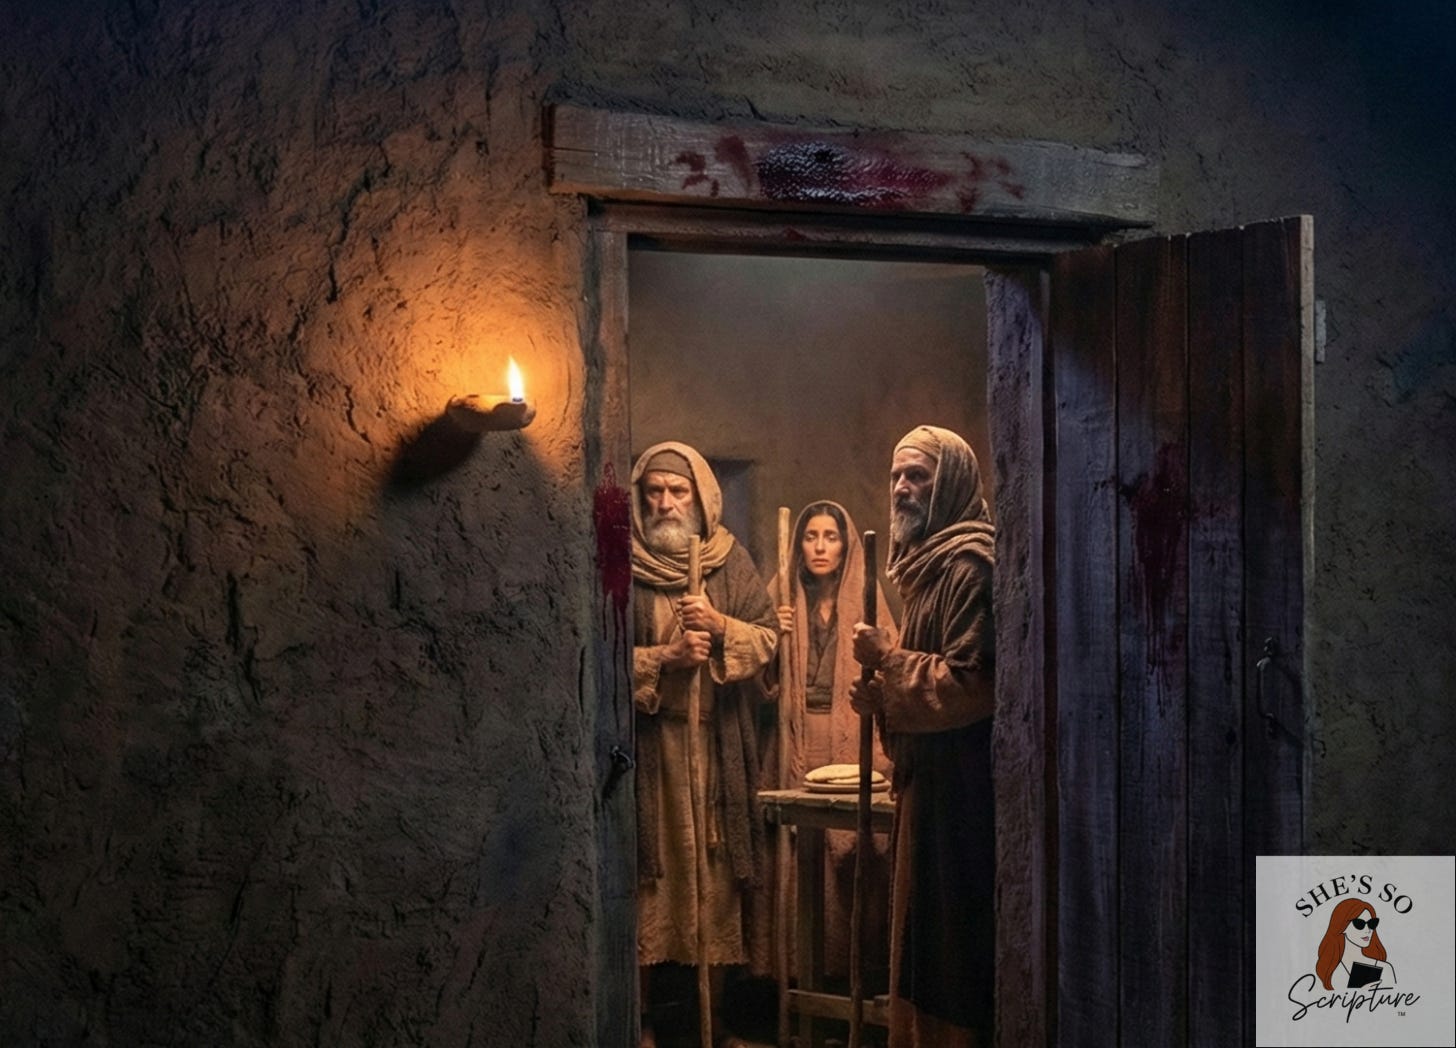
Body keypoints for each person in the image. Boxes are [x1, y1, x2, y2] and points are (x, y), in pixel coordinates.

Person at [849, 425, 997, 1048]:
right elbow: (923, 685)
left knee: (952, 952)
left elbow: (972, 685)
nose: (902, 488)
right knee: (922, 946)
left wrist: (889, 660)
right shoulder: (926, 570)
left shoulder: (970, 566)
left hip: (964, 798)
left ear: (952, 483)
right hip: (928, 793)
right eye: (896, 476)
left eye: (918, 476)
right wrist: (883, 698)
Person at [630, 442, 779, 1048]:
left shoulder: (729, 561)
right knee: (648, 886)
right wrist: (663, 657)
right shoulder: (620, 562)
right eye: (655, 492)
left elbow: (766, 637)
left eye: (678, 491)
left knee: (713, 884)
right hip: (651, 755)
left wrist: (720, 628)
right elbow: (593, 655)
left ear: (700, 498)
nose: (666, 503)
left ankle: (712, 1022)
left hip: (715, 752)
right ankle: (639, 1022)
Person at [757, 500, 897, 986]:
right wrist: (773, 637)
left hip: (849, 741)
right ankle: (794, 977)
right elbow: (758, 683)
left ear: (845, 546)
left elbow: (889, 670)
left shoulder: (866, 600)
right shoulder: (781, 597)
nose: (819, 546)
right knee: (795, 857)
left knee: (850, 858)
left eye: (830, 537)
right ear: (798, 545)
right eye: (810, 536)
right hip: (794, 738)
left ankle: (845, 975)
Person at [1316, 898, 1397, 990]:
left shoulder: (1384, 968)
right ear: (1342, 926)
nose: (1368, 930)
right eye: (1359, 924)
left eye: (1372, 923)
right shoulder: (1330, 967)